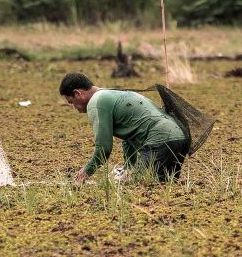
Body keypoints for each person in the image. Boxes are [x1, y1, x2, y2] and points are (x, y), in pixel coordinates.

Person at [59, 73, 189, 184]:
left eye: (71, 102)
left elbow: (104, 149)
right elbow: (129, 138)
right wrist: (128, 169)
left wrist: (85, 172)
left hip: (160, 140)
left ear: (78, 93)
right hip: (180, 137)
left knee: (138, 186)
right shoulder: (114, 93)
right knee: (163, 186)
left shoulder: (96, 102)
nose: (74, 108)